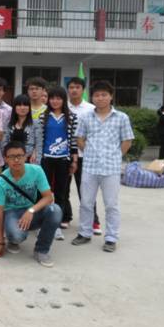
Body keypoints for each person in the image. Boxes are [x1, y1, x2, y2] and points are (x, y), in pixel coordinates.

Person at [72, 80, 134, 253]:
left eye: (104, 95)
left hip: (111, 169)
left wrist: (115, 156)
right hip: (90, 167)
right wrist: (89, 151)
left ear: (111, 96)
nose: (100, 98)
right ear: (92, 97)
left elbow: (127, 141)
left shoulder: (121, 117)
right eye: (97, 95)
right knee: (86, 202)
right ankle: (84, 233)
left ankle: (111, 238)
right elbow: (79, 138)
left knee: (111, 205)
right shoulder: (86, 117)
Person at [0, 141, 62, 268]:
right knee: (16, 236)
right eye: (12, 157)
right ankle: (13, 240)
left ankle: (41, 250)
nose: (16, 160)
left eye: (20, 156)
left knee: (55, 210)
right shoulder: (0, 181)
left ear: (26, 156)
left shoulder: (36, 170)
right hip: (12, 213)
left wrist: (31, 211)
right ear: (5, 159)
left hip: (31, 210)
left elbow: (48, 197)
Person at [37, 86, 79, 241]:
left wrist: (74, 160)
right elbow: (40, 139)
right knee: (43, 192)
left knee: (61, 193)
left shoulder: (72, 117)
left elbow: (73, 141)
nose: (55, 101)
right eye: (52, 98)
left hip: (63, 160)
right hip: (46, 159)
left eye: (58, 98)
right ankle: (42, 222)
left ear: (63, 100)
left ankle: (56, 224)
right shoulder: (43, 117)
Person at [66, 77, 101, 234]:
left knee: (86, 190)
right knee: (63, 189)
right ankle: (65, 217)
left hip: (85, 155)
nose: (74, 90)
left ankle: (93, 221)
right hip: (65, 154)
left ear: (83, 90)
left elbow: (96, 131)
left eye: (77, 87)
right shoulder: (63, 106)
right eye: (71, 87)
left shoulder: (91, 108)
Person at [1, 94, 41, 163]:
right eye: (19, 105)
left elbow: (39, 143)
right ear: (14, 107)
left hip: (29, 159)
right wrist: (6, 157)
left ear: (29, 107)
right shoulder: (8, 124)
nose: (22, 108)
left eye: (25, 105)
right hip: (12, 160)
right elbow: (4, 142)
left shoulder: (36, 123)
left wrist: (36, 154)